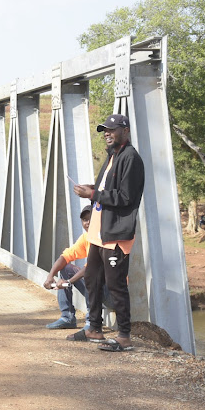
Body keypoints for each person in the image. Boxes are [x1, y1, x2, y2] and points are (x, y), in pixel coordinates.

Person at [73, 114, 145, 352]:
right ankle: (94, 327)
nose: (107, 133)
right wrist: (90, 189)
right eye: (105, 130)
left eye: (112, 129)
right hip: (98, 232)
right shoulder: (112, 156)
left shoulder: (130, 158)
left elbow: (126, 198)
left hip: (116, 233)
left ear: (125, 131)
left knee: (116, 285)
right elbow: (107, 189)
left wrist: (92, 195)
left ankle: (124, 336)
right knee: (92, 280)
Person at [43, 205, 94, 330]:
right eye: (84, 220)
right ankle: (67, 317)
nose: (87, 223)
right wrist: (50, 276)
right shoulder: (86, 238)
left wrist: (69, 282)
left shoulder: (102, 238)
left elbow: (91, 267)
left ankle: (91, 322)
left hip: (111, 293)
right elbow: (65, 256)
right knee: (66, 268)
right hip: (95, 290)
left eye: (91, 219)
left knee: (91, 275)